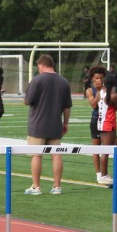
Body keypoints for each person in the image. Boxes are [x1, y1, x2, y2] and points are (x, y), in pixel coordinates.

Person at [23, 54, 72, 195]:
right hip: (55, 124)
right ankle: (57, 187)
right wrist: (65, 123)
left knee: (36, 155)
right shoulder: (64, 82)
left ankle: (36, 187)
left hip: (37, 125)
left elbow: (28, 100)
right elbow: (67, 107)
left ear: (41, 65)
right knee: (56, 155)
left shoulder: (37, 80)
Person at [94, 69, 117, 185]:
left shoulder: (100, 93)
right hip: (108, 125)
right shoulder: (113, 96)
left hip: (102, 123)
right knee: (106, 151)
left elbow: (95, 105)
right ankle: (104, 175)